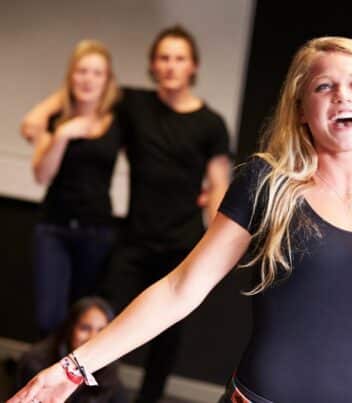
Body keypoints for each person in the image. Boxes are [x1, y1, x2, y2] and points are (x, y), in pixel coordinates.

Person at [9, 37, 352, 403]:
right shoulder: (267, 184)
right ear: (301, 107)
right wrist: (74, 366)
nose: (343, 96)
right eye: (325, 87)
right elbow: (179, 290)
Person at [20, 25, 231, 403]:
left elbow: (218, 185)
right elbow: (74, 95)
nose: (170, 66)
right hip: (133, 240)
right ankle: (79, 395)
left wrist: (215, 245)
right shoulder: (134, 105)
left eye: (179, 58)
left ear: (193, 66)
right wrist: (50, 125)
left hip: (182, 243)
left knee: (167, 338)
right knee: (98, 320)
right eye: (163, 58)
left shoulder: (211, 124)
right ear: (153, 65)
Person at [26, 39, 121, 337]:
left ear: (107, 80)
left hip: (97, 231)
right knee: (49, 318)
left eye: (96, 73)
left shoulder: (118, 121)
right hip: (54, 227)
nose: (88, 79)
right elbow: (42, 175)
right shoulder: (55, 121)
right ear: (71, 76)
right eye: (81, 71)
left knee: (84, 319)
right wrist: (62, 136)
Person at [16, 297, 127, 403]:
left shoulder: (112, 378)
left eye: (101, 331)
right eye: (85, 328)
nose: (93, 338)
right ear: (70, 329)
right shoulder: (36, 364)